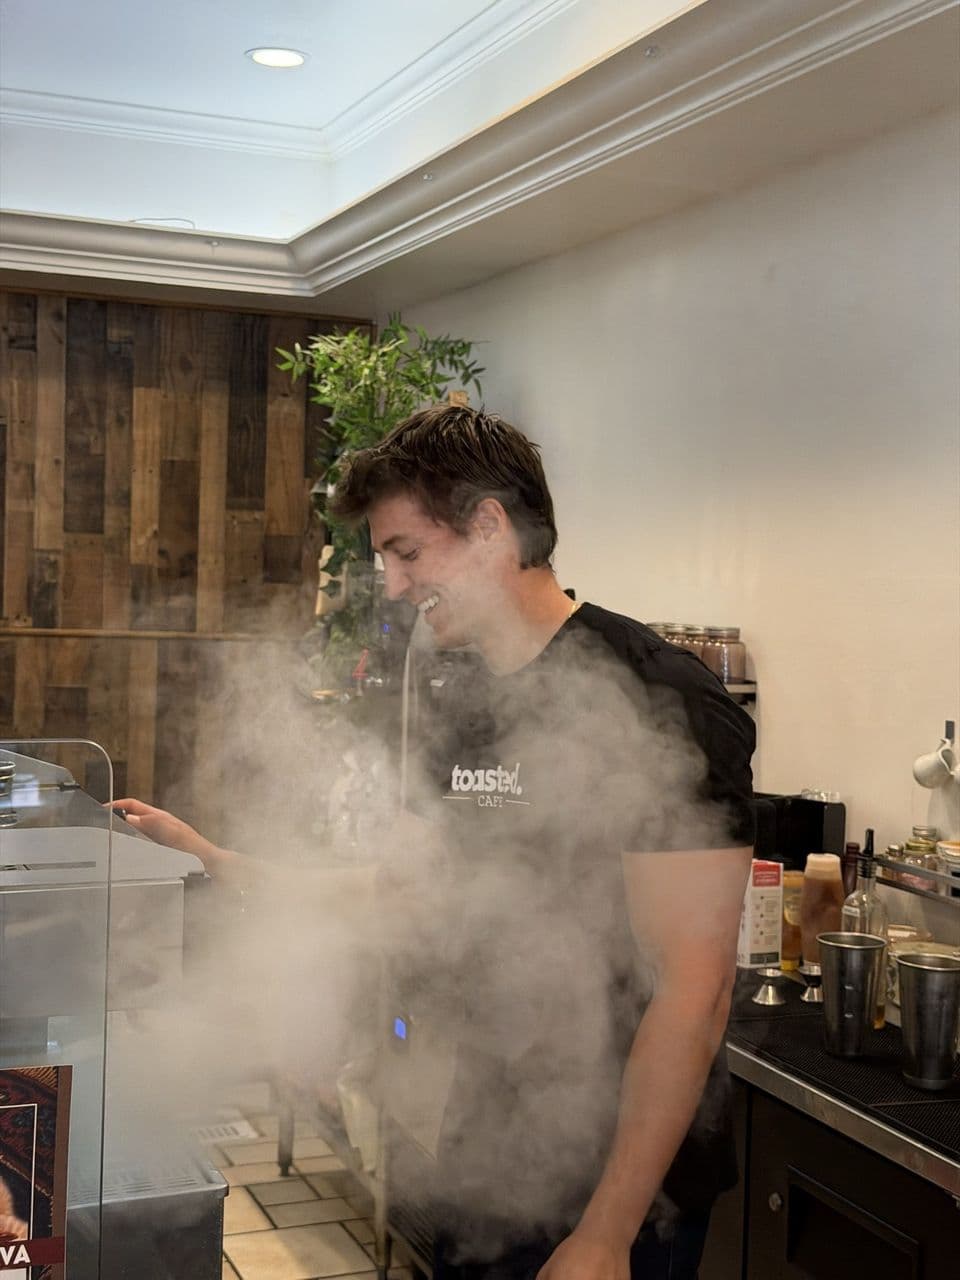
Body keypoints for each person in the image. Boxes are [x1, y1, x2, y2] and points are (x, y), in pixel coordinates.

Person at [118, 404, 754, 1280]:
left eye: (406, 553)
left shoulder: (660, 697)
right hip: (487, 1151)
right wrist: (221, 862)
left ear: (489, 525)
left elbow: (696, 988)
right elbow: (403, 890)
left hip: (626, 1193)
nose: (392, 585)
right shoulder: (459, 692)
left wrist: (606, 1234)